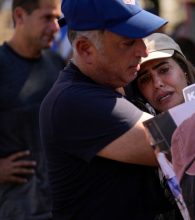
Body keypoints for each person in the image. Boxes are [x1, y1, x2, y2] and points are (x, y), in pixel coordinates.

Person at [38, 0, 178, 219]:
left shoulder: (122, 80)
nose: (143, 50)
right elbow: (179, 145)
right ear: (85, 49)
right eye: (128, 42)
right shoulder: (73, 101)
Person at [0, 0, 64, 219]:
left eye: (57, 18)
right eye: (47, 18)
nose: (56, 27)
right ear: (19, 16)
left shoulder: (57, 64)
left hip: (59, 204)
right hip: (15, 209)